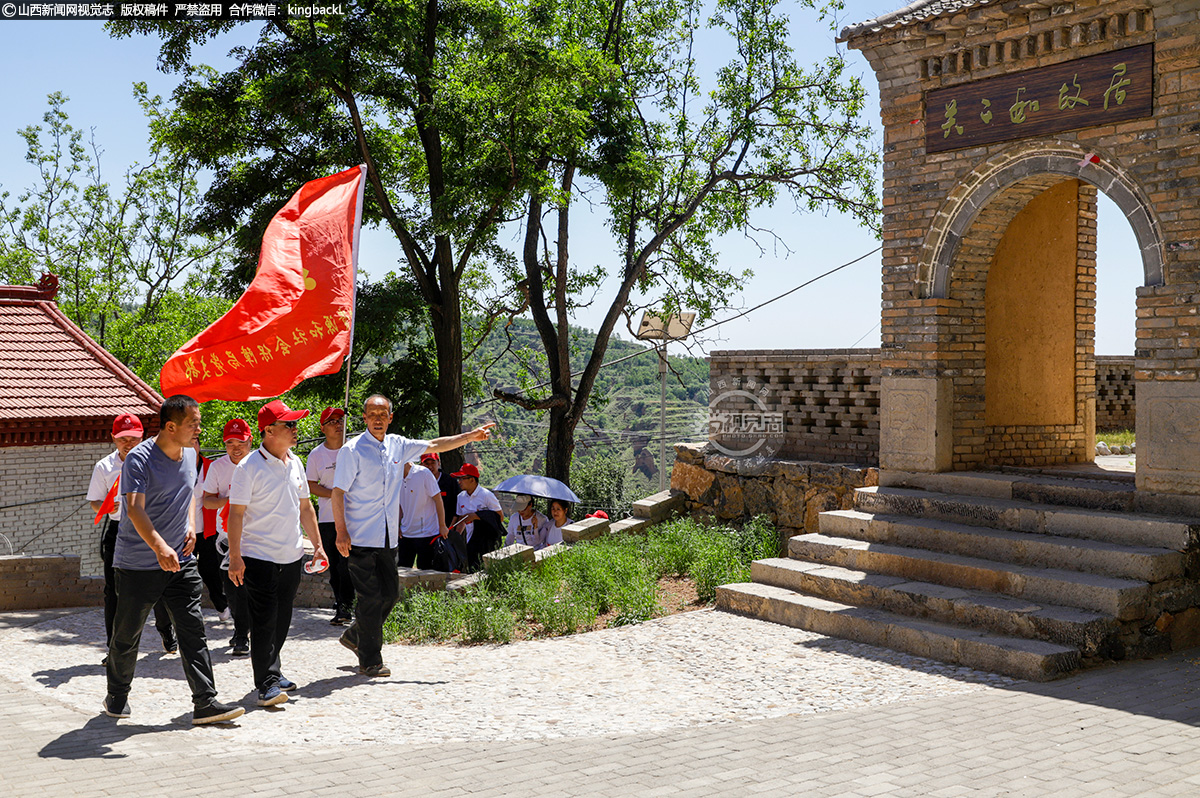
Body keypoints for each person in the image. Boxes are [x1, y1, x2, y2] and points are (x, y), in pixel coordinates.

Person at [104, 395, 244, 725]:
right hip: (138, 563)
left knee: (193, 630)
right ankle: (117, 695)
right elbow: (135, 508)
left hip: (180, 561)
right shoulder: (139, 459)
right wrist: (158, 547)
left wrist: (191, 527)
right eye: (193, 424)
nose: (199, 429)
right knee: (127, 635)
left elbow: (190, 496)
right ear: (171, 426)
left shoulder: (192, 455)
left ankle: (205, 702)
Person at [332, 394, 494, 677]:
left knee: (390, 594)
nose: (378, 418)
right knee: (370, 598)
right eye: (372, 413)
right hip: (360, 537)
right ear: (365, 418)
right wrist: (341, 531)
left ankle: (357, 635)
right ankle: (370, 660)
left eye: (383, 413)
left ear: (390, 418)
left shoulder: (399, 445)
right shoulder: (352, 450)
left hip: (389, 537)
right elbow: (338, 493)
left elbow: (435, 444)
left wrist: (470, 436)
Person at [227, 399, 327, 708]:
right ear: (269, 431)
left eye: (296, 424)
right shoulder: (248, 468)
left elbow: (305, 507)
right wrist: (234, 556)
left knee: (283, 619)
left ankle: (275, 670)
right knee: (264, 621)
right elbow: (236, 515)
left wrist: (318, 544)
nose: (296, 429)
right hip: (258, 557)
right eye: (290, 425)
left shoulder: (295, 462)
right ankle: (266, 683)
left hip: (291, 555)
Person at [88, 413, 177, 662]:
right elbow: (95, 501)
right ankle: (113, 648)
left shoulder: (155, 461)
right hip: (119, 531)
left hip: (151, 530)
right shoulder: (104, 467)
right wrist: (107, 508)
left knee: (160, 585)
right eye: (123, 439)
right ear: (113, 439)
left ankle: (166, 630)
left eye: (134, 438)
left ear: (143, 437)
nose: (128, 444)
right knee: (113, 591)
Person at [201, 419, 255, 656]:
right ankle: (241, 629)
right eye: (230, 443)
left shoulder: (259, 464)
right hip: (226, 537)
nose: (235, 448)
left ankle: (243, 634)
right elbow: (207, 500)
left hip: (256, 535)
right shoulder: (218, 467)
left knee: (250, 588)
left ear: (250, 441)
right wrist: (229, 501)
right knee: (232, 588)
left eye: (241, 442)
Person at [305, 407, 353, 626]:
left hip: (355, 516)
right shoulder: (316, 455)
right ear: (323, 428)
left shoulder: (353, 450)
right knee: (335, 565)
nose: (338, 424)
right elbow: (311, 486)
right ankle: (342, 605)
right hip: (328, 518)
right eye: (332, 421)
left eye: (340, 420)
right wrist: (335, 495)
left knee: (352, 564)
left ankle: (351, 604)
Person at [191, 442, 230, 625]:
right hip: (183, 532)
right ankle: (187, 615)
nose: (191, 446)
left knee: (210, 572)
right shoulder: (174, 467)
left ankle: (222, 606)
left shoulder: (209, 467)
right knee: (183, 574)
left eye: (194, 442)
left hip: (207, 529)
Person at [396, 459, 448, 570]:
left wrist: (442, 525)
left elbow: (438, 500)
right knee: (402, 569)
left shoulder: (423, 473)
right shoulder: (395, 477)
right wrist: (397, 525)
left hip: (426, 533)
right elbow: (400, 504)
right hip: (406, 532)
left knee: (425, 571)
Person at [451, 463, 503, 569]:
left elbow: (500, 517)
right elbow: (461, 519)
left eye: (462, 478)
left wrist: (477, 516)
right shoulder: (460, 497)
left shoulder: (487, 495)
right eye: (458, 479)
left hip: (488, 542)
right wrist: (455, 538)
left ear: (472, 480)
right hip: (471, 540)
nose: (459, 482)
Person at [420, 452, 460, 530]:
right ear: (421, 465)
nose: (430, 466)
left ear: (439, 463)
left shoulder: (450, 482)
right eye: (427, 464)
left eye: (433, 463)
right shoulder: (417, 481)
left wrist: (450, 528)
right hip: (423, 529)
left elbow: (456, 507)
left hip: (445, 528)